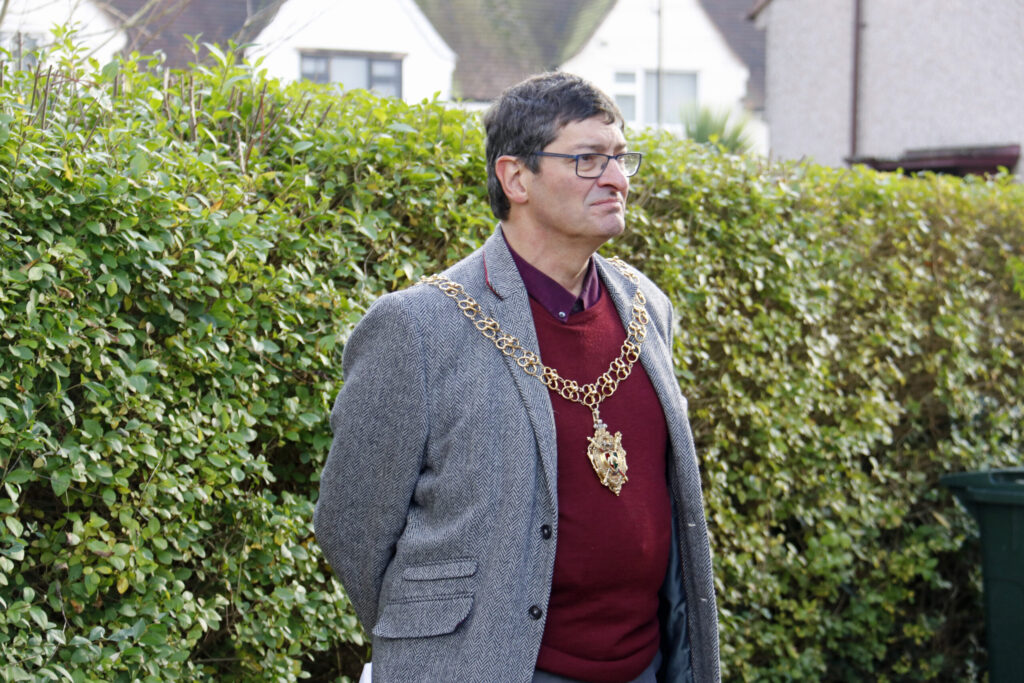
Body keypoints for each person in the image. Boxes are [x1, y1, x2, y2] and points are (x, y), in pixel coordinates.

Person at [314, 72, 720, 683]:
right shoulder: (419, 327)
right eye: (587, 160)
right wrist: (442, 644)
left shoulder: (646, 306)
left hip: (647, 667)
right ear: (515, 178)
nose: (617, 179)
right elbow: (352, 527)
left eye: (620, 157)